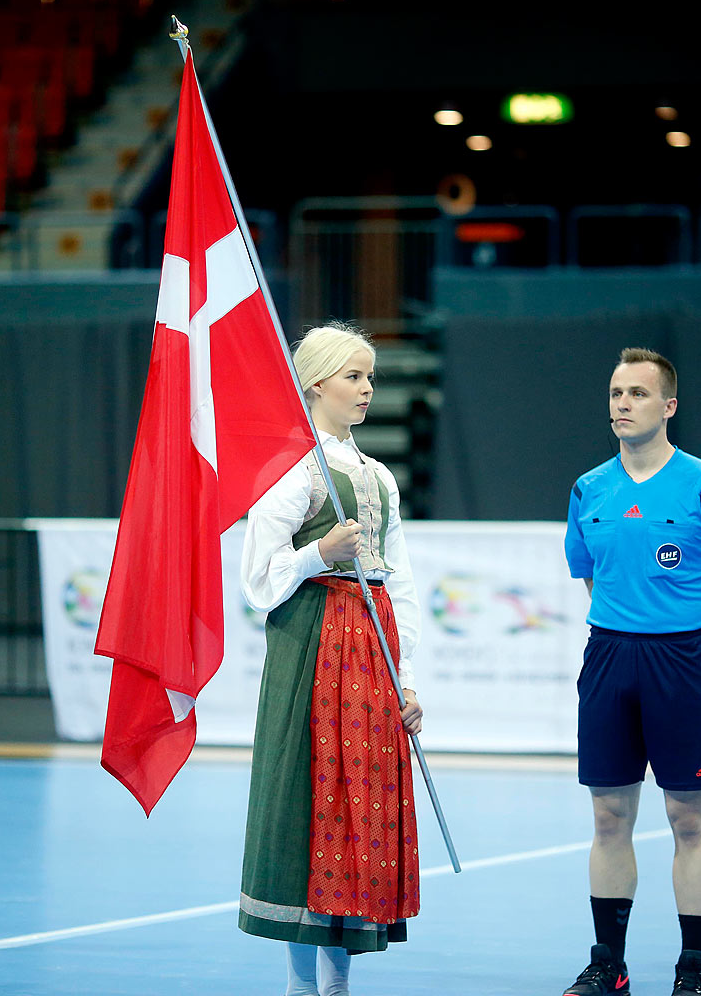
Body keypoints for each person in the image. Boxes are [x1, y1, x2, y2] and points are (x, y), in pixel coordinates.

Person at [561, 347, 701, 996]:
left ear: (668, 406)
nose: (623, 404)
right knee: (609, 817)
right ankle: (607, 965)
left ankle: (691, 968)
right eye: (616, 392)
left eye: (638, 394)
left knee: (687, 819)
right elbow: (589, 576)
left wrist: (686, 629)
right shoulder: (588, 489)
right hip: (609, 657)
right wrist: (630, 621)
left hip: (681, 662)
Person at [238, 322, 423, 996]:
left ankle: (338, 982)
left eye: (370, 376)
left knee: (356, 806)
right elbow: (257, 576)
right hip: (314, 646)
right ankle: (297, 980)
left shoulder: (376, 475)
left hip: (371, 652)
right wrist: (320, 553)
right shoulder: (297, 472)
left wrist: (407, 678)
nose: (367, 388)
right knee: (308, 798)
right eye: (353, 376)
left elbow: (396, 580)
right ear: (316, 383)